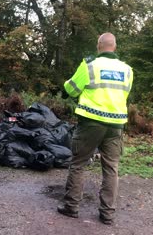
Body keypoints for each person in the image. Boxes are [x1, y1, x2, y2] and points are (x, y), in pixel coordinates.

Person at [57, 32, 133, 225]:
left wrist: (70, 87)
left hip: (91, 122)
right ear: (114, 47)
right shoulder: (127, 70)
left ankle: (71, 206)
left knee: (79, 163)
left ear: (98, 46)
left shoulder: (89, 65)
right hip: (116, 125)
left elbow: (70, 89)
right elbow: (124, 95)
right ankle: (107, 214)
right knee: (111, 168)